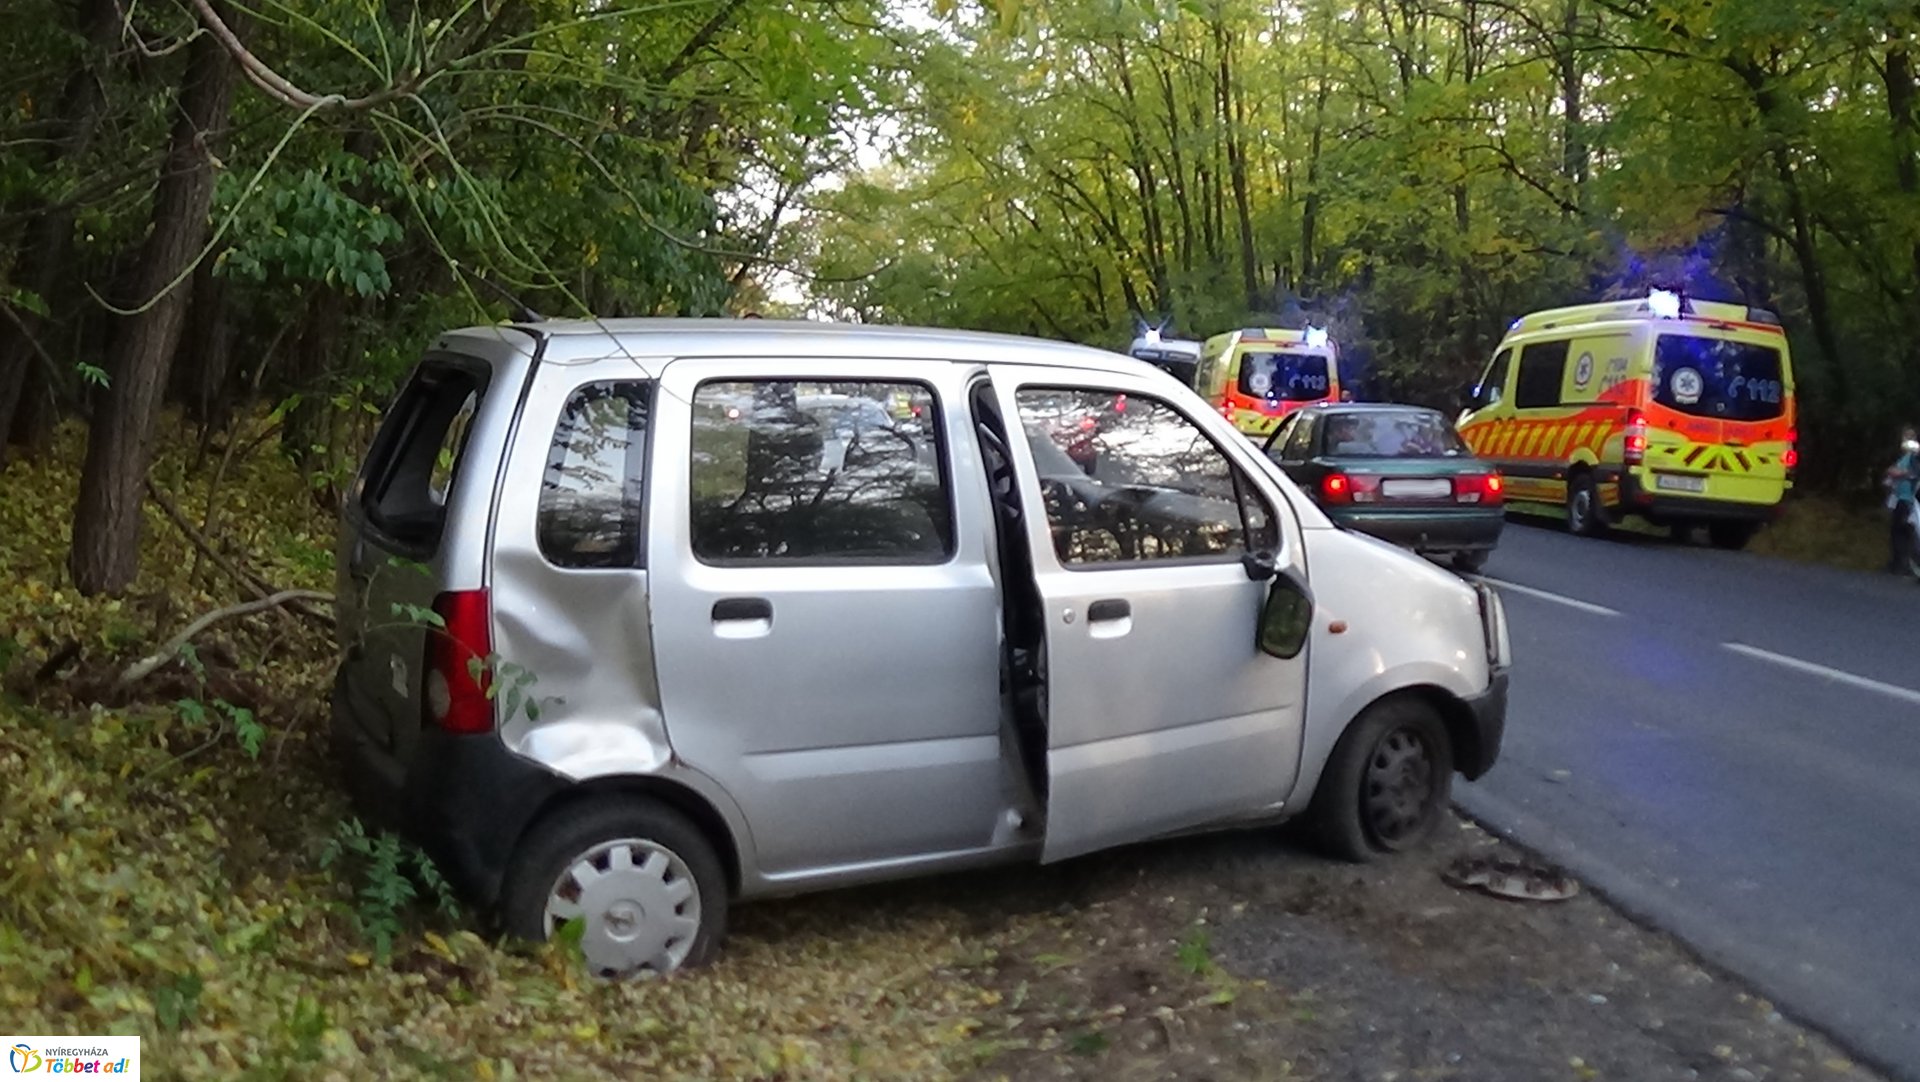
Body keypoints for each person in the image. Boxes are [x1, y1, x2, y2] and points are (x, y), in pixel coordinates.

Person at [1888, 425, 1918, 574]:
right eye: (1905, 437)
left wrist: (1899, 473)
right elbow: (1892, 471)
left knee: (1904, 532)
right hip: (1900, 497)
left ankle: (1904, 565)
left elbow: (1908, 472)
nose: (1907, 440)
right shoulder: (1906, 457)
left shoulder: (1914, 457)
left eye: (1910, 437)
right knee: (1897, 531)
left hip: (1909, 499)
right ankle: (1898, 563)